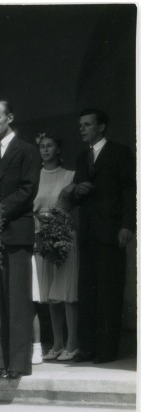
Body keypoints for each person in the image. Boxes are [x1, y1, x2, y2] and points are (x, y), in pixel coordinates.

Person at [0, 101, 41, 379]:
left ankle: (17, 364)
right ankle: (3, 363)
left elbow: (27, 190)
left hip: (16, 234)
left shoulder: (27, 151)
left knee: (16, 300)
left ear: (9, 118)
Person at [70, 109, 136, 363]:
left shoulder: (119, 153)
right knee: (88, 292)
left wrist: (128, 225)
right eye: (80, 125)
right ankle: (87, 348)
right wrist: (78, 189)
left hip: (111, 232)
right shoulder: (81, 157)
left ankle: (106, 350)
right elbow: (75, 194)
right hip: (87, 233)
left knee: (109, 291)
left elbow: (131, 190)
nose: (82, 129)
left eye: (87, 124)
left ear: (101, 127)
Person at [34, 133, 79, 362]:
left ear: (58, 149)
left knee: (67, 292)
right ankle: (58, 343)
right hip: (43, 237)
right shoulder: (35, 176)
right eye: (42, 146)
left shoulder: (70, 175)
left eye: (50, 145)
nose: (45, 150)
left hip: (65, 237)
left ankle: (73, 343)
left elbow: (73, 208)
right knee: (52, 295)